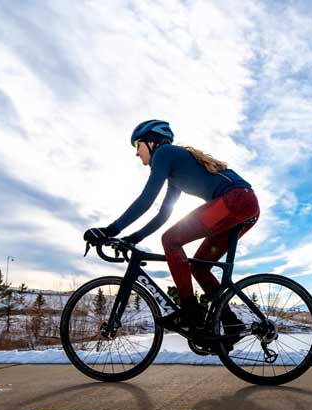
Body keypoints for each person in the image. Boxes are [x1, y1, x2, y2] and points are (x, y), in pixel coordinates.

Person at [84, 119, 259, 333]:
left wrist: (109, 230)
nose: (137, 153)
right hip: (244, 205)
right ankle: (231, 323)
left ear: (151, 142)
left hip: (236, 201)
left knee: (170, 239)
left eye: (137, 145)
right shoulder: (174, 170)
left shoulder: (164, 153)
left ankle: (190, 311)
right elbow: (164, 213)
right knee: (199, 267)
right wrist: (133, 238)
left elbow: (146, 199)